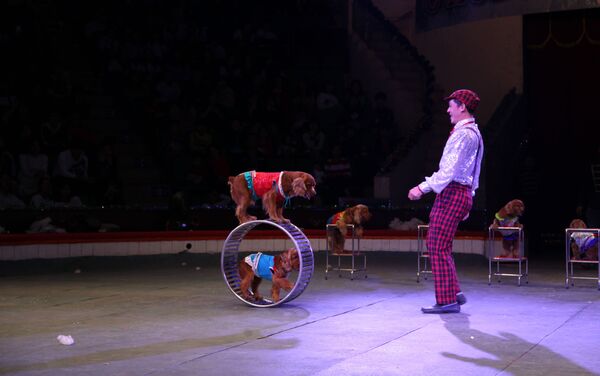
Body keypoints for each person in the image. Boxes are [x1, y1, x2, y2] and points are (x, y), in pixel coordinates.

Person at [408, 89, 484, 314]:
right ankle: (454, 293)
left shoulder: (464, 134)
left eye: (451, 105)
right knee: (442, 246)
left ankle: (446, 300)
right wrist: (469, 197)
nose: (447, 109)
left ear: (462, 106)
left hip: (453, 192)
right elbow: (475, 170)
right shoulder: (473, 132)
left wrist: (422, 188)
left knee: (436, 245)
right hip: (460, 193)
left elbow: (449, 171)